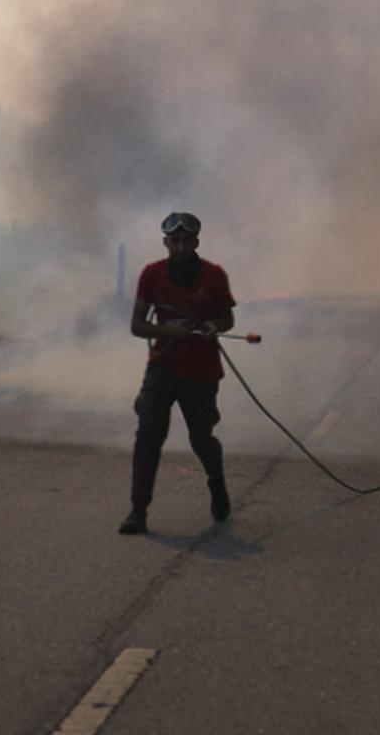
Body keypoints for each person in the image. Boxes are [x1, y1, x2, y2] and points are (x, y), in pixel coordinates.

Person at [118, 211, 237, 536]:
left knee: (201, 438)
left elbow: (227, 319)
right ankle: (138, 510)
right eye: (176, 242)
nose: (182, 247)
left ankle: (217, 484)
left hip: (202, 371)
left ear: (196, 241)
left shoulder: (214, 276)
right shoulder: (151, 275)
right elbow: (136, 325)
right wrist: (168, 330)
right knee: (149, 433)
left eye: (187, 241)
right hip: (163, 368)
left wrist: (212, 325)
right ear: (166, 243)